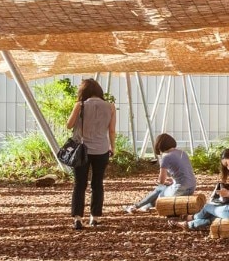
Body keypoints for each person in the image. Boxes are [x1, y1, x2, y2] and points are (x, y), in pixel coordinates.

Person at [66, 78, 116, 231]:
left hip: (82, 150)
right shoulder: (110, 107)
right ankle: (94, 217)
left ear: (83, 91)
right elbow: (112, 130)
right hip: (102, 150)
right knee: (97, 184)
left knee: (79, 184)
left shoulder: (80, 106)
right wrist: (112, 147)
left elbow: (69, 125)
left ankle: (77, 219)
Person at [170, 149, 229, 230]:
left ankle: (189, 217)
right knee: (212, 217)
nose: (228, 168)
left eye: (227, 164)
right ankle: (188, 225)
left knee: (207, 207)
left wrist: (228, 193)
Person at [123, 133, 196, 214]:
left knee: (159, 189)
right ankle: (145, 206)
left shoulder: (166, 157)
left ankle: (134, 207)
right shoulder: (183, 153)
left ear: (159, 145)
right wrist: (171, 181)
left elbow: (161, 181)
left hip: (180, 189)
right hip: (192, 186)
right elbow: (184, 172)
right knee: (162, 190)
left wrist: (162, 182)